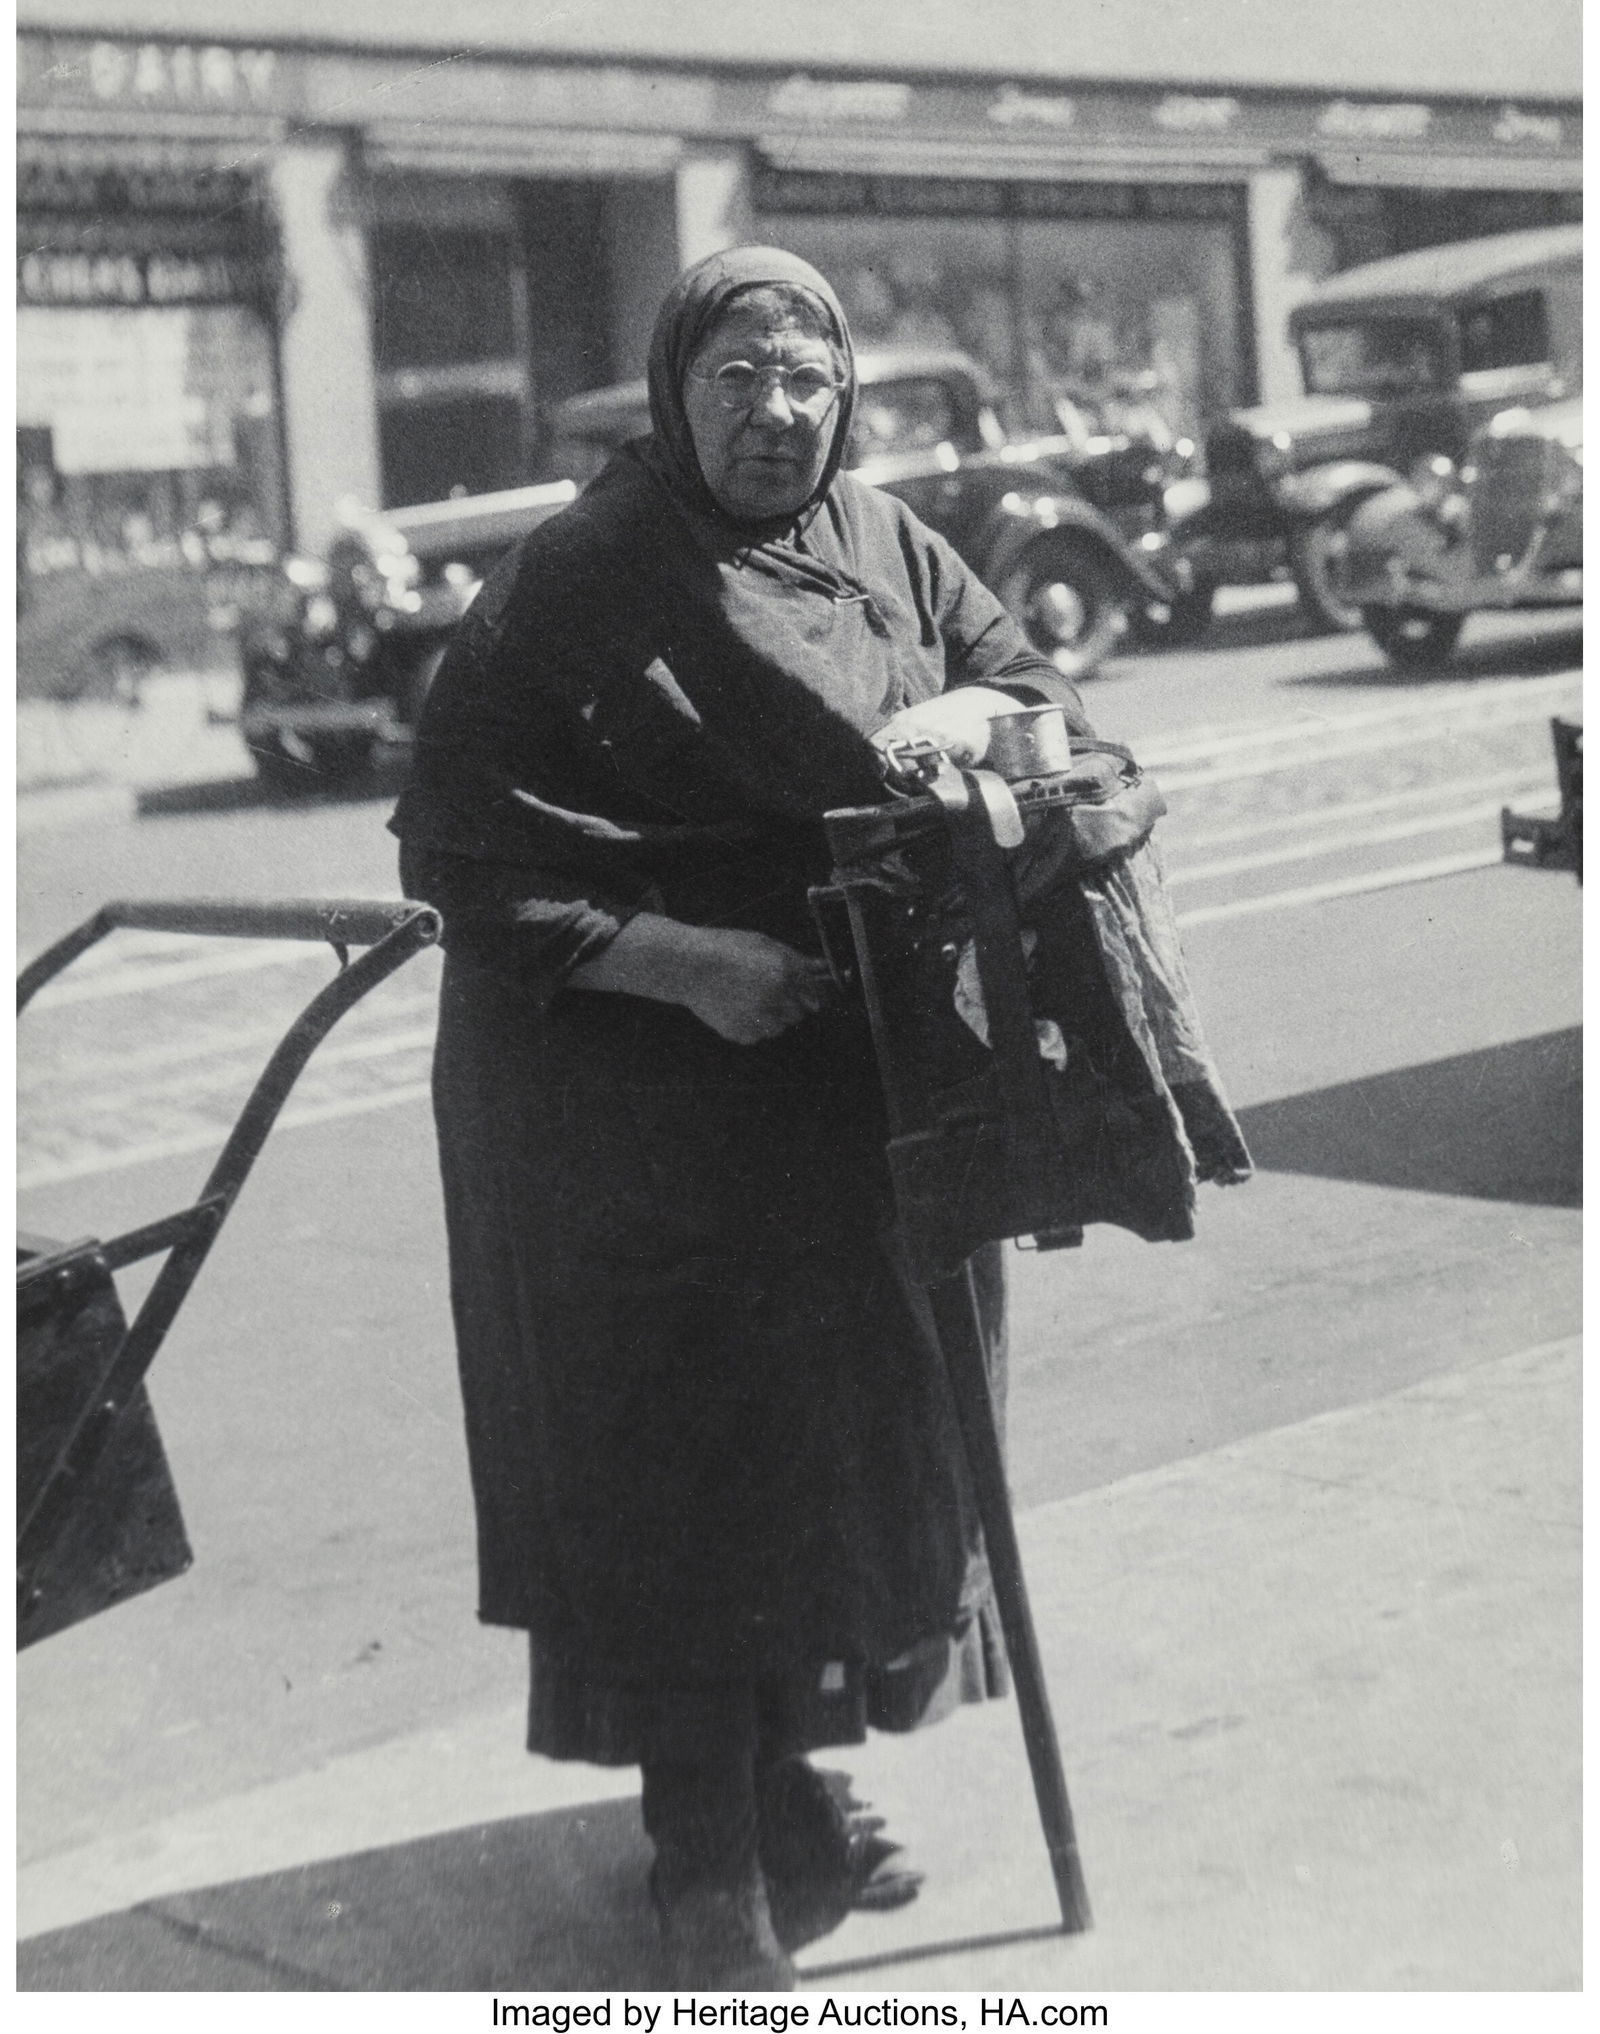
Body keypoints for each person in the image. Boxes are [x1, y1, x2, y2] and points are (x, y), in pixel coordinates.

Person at [390, 247, 1117, 1990]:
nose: (779, 413)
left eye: (808, 378)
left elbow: (1038, 695)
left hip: (845, 1083)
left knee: (849, 1452)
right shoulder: (578, 575)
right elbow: (454, 857)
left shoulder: (887, 543)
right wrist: (682, 960)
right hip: (628, 1099)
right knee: (684, 1476)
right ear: (672, 391)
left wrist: (985, 715)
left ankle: (794, 1775)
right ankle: (699, 1849)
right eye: (739, 379)